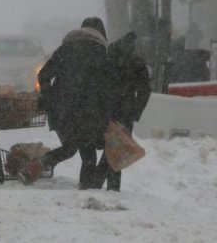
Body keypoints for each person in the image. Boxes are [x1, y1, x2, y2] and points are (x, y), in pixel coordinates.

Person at [26, 17, 116, 189]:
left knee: (70, 147)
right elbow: (108, 85)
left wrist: (50, 97)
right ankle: (86, 187)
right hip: (89, 110)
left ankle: (36, 166)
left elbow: (44, 75)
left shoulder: (65, 49)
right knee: (87, 152)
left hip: (62, 109)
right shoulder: (102, 52)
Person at [94, 32, 151, 191]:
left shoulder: (107, 59)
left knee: (112, 148)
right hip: (125, 112)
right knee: (117, 149)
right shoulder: (136, 62)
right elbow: (145, 90)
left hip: (106, 110)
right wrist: (136, 110)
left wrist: (99, 106)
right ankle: (107, 185)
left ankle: (99, 183)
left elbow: (97, 85)